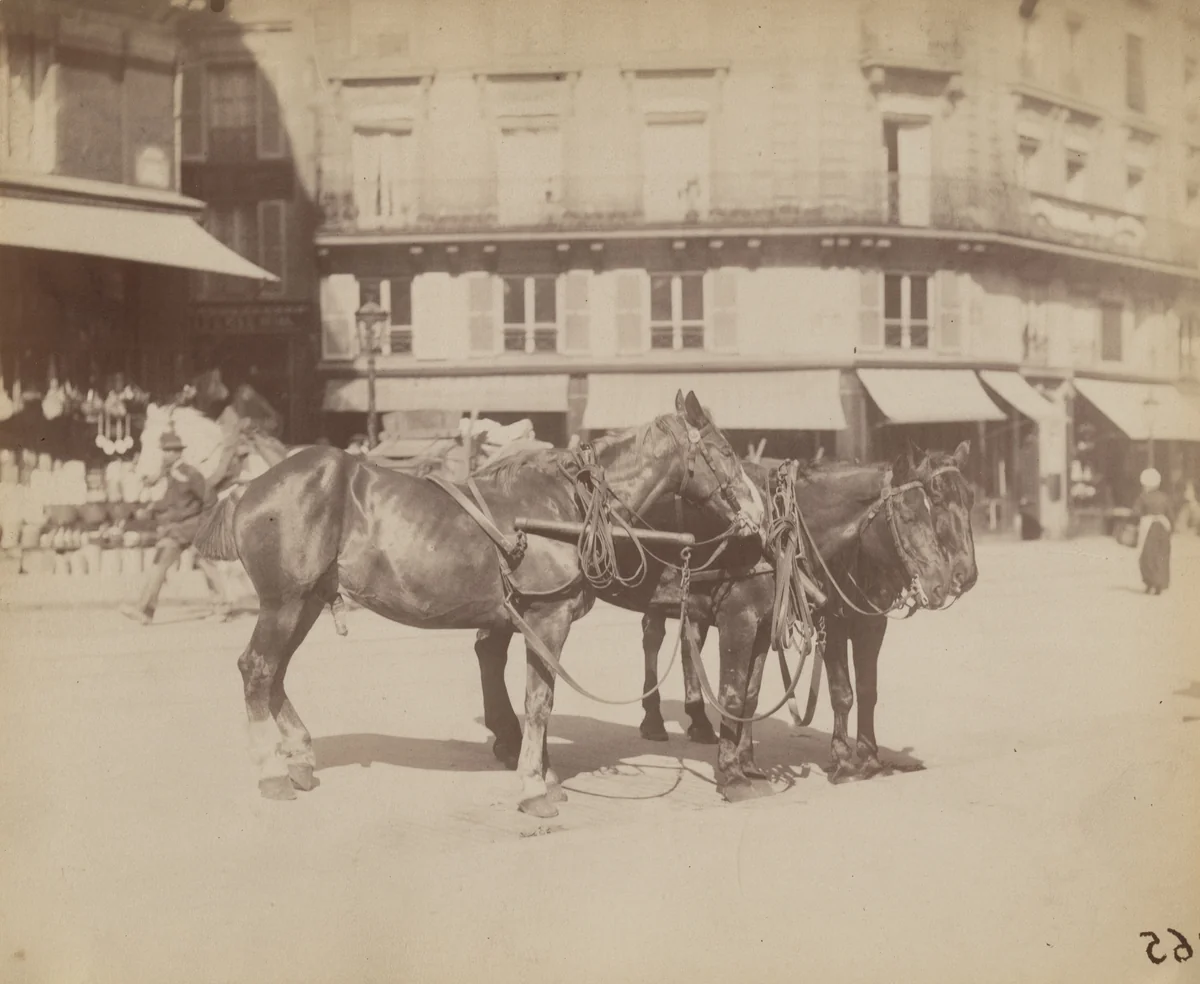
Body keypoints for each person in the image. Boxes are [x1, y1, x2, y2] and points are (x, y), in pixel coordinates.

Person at [120, 430, 230, 625]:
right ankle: (144, 611)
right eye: (165, 451)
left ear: (179, 453)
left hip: (194, 527)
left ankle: (221, 608)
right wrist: (151, 509)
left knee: (206, 565)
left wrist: (206, 524)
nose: (166, 454)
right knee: (159, 566)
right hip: (177, 530)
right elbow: (172, 502)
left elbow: (209, 498)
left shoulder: (189, 473)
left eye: (171, 451)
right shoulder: (172, 475)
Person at [1131, 467, 1172, 595]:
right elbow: (1170, 514)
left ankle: (1149, 583)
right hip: (1163, 528)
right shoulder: (1164, 497)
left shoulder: (1143, 497)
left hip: (1148, 529)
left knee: (1147, 556)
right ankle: (1160, 583)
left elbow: (1136, 513)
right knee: (1161, 556)